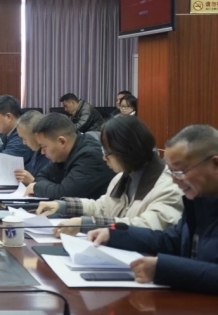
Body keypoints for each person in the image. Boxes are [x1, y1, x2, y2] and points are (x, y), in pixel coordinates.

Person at [88, 125, 218, 293]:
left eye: (180, 172)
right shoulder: (200, 200)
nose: (174, 181)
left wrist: (164, 268)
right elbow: (171, 241)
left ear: (215, 164)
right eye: (171, 172)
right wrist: (114, 235)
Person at [36, 115, 182, 235]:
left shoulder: (169, 187)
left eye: (107, 152)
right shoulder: (122, 178)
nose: (104, 158)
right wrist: (62, 206)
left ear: (126, 151)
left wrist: (86, 223)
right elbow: (102, 207)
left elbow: (146, 226)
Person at [25, 113, 114, 200]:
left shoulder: (90, 157)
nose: (42, 152)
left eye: (44, 146)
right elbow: (41, 176)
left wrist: (36, 187)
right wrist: (52, 188)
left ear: (62, 142)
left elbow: (65, 194)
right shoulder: (63, 154)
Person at [14, 110, 51, 185]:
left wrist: (32, 181)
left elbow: (54, 188)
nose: (24, 142)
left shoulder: (52, 155)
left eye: (25, 139)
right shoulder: (36, 150)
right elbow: (30, 168)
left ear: (36, 135)